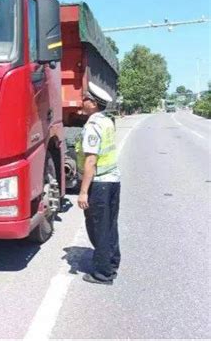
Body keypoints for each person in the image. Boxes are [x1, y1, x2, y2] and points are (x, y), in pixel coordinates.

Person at [76, 82, 121, 285]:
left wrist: (83, 192)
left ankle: (103, 273)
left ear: (93, 104)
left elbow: (91, 161)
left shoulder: (93, 126)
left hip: (100, 184)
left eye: (86, 98)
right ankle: (112, 262)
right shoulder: (106, 121)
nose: (82, 100)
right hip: (113, 180)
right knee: (110, 225)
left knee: (99, 227)